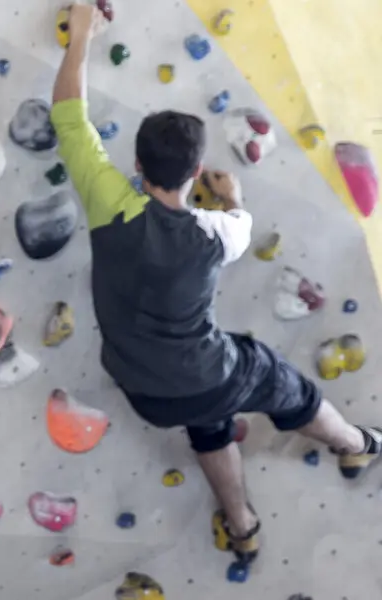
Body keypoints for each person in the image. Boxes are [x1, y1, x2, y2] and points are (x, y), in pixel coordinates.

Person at [50, 3, 380, 569]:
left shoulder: (108, 201)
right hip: (204, 372)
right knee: (290, 391)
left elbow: (69, 117)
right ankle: (357, 446)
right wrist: (233, 199)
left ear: (136, 162)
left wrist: (81, 34)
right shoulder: (219, 230)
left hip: (141, 385)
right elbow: (240, 225)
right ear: (198, 169)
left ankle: (242, 525)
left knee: (208, 418)